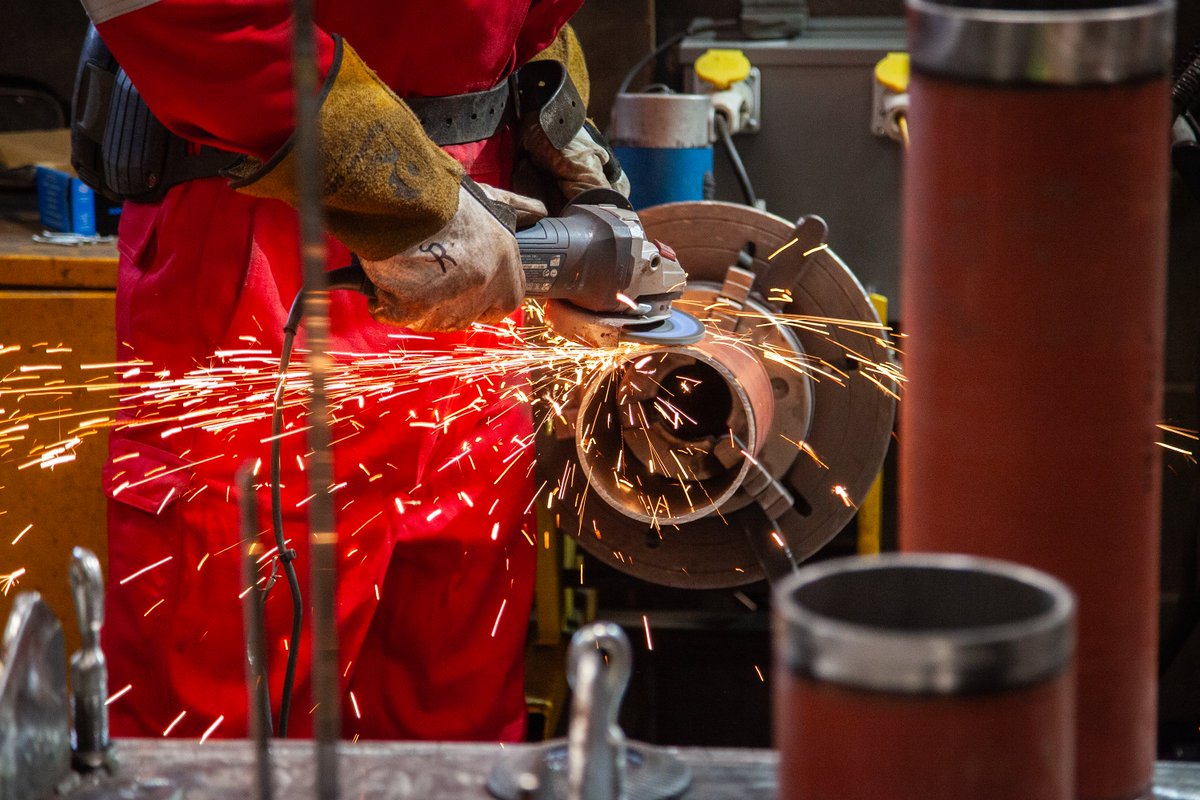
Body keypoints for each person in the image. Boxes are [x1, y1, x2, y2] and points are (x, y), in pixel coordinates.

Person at [77, 0, 626, 742]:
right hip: (265, 236)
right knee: (219, 739)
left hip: (479, 256)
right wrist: (401, 192)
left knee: (452, 734)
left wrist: (547, 102)